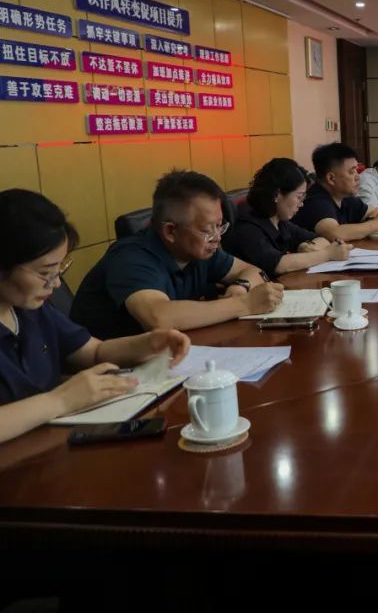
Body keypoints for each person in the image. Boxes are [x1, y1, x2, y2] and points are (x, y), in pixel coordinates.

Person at [0, 190, 191, 443]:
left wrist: (147, 343)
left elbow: (93, 352)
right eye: (45, 273)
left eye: (59, 269)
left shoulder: (31, 310)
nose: (56, 284)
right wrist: (60, 400)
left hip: (49, 446)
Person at [71, 171, 283, 339]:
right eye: (208, 229)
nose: (217, 237)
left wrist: (239, 287)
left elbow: (252, 271)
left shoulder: (199, 249)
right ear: (170, 231)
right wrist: (244, 304)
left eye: (220, 226)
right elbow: (159, 318)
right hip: (107, 370)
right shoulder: (131, 258)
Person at [223, 158, 353, 277]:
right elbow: (279, 265)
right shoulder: (248, 227)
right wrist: (327, 254)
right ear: (277, 195)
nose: (301, 204)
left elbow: (322, 239)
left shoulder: (279, 222)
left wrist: (307, 246)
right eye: (299, 197)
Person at [291, 142, 378, 242]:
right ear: (331, 178)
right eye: (352, 172)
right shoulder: (316, 201)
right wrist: (376, 225)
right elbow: (335, 234)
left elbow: (374, 212)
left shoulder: (345, 197)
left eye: (357, 171)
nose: (358, 177)